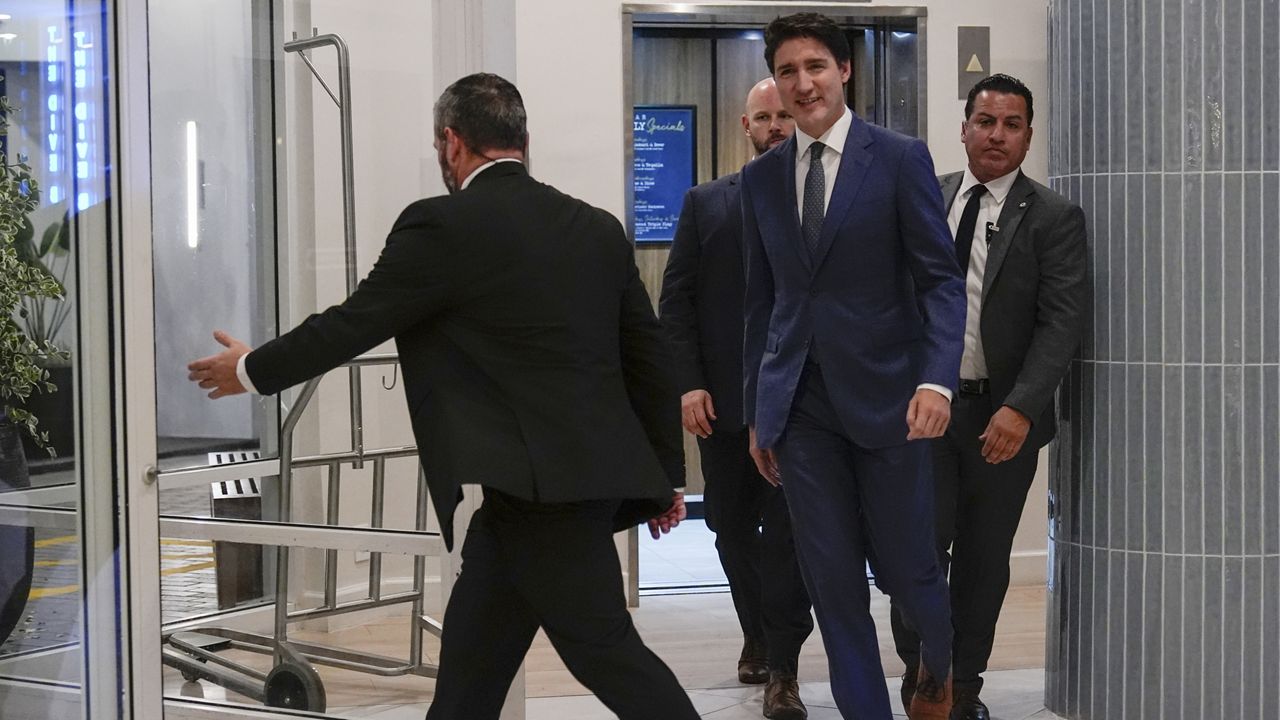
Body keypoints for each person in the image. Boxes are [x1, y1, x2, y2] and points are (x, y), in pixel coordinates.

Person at [185, 73, 699, 720]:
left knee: (608, 655)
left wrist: (252, 368)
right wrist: (669, 478)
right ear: (525, 140)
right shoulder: (595, 228)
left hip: (545, 502)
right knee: (471, 677)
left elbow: (352, 322)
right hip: (544, 496)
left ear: (451, 144)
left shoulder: (440, 225)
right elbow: (648, 359)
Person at [740, 12, 967, 720]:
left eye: (814, 67)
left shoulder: (898, 158)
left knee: (910, 571)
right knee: (833, 585)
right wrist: (760, 411)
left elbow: (939, 280)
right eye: (787, 71)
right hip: (802, 410)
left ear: (845, 71)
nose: (802, 84)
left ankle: (937, 656)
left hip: (891, 401)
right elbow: (763, 304)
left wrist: (936, 380)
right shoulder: (763, 180)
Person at [889, 74, 1087, 720]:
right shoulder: (928, 196)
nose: (997, 135)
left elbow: (1062, 324)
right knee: (915, 547)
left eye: (1012, 124)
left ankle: (962, 684)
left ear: (1029, 134)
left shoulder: (1054, 218)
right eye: (986, 121)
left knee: (982, 560)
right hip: (924, 410)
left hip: (1001, 419)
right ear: (965, 126)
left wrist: (1023, 407)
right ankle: (925, 670)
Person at [659, 77, 813, 720]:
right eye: (764, 117)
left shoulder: (820, 201)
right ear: (744, 126)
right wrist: (689, 383)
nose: (776, 125)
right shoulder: (706, 203)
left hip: (802, 405)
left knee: (787, 537)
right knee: (727, 528)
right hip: (724, 405)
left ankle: (783, 666)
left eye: (785, 116)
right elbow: (677, 304)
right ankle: (757, 627)